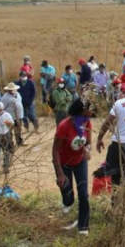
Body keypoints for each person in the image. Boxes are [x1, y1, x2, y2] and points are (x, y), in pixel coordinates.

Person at [51, 99, 92, 235]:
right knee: (68, 198)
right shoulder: (64, 126)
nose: (91, 111)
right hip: (64, 164)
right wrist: (60, 173)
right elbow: (55, 150)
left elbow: (88, 143)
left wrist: (87, 150)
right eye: (88, 109)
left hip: (80, 162)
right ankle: (67, 201)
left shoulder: (87, 123)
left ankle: (83, 227)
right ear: (81, 111)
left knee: (84, 195)